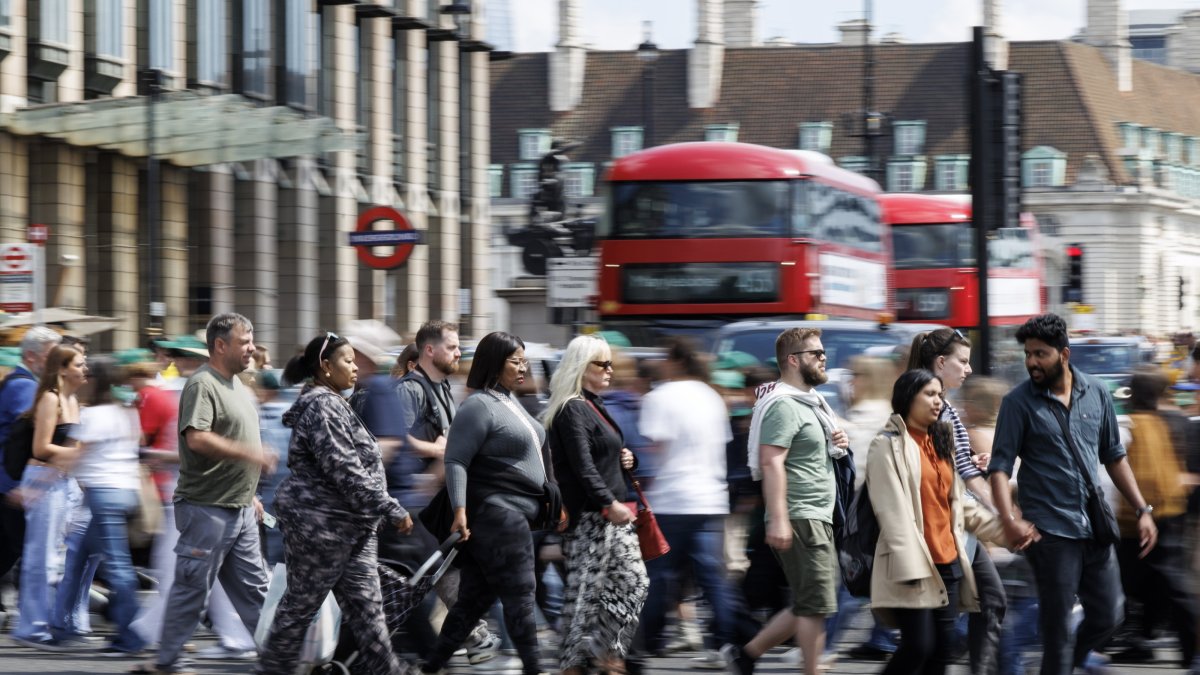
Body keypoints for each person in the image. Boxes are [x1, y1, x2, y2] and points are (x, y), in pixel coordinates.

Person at [989, 313, 1158, 675]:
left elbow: (1114, 456)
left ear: (1064, 354)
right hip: (1050, 532)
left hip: (1095, 526)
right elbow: (999, 469)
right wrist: (1009, 520)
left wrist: (1142, 509)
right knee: (1057, 632)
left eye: (1041, 354)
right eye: (1028, 354)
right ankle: (1060, 664)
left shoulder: (1096, 392)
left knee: (1110, 616)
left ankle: (1063, 666)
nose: (1032, 361)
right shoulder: (1017, 403)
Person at [256, 332, 414, 675]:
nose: (355, 368)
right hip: (323, 529)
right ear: (325, 367)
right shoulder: (323, 406)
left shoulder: (333, 402)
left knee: (369, 615)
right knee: (299, 611)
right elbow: (344, 469)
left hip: (350, 528)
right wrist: (390, 507)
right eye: (347, 360)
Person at [135, 313, 274, 675]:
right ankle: (164, 662)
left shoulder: (239, 387)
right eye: (244, 342)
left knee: (256, 590)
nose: (252, 348)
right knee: (192, 588)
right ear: (220, 345)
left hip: (239, 507)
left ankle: (282, 659)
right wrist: (251, 455)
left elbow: (243, 440)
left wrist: (252, 492)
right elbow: (197, 438)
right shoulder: (203, 384)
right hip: (207, 509)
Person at [419, 331, 560, 675]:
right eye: (516, 361)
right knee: (521, 594)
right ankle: (534, 668)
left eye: (525, 360)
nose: (524, 367)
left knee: (472, 602)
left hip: (514, 516)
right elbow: (455, 461)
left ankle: (431, 667)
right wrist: (459, 511)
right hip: (497, 516)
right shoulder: (479, 405)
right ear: (495, 364)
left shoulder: (509, 401)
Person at [724, 328, 848, 675]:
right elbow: (771, 462)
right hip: (801, 514)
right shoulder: (784, 405)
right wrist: (779, 518)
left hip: (815, 514)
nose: (823, 358)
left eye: (823, 352)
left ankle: (746, 655)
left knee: (811, 601)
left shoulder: (810, 403)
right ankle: (810, 669)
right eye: (815, 353)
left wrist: (836, 439)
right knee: (817, 605)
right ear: (793, 360)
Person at [869, 369, 1008, 675]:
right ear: (908, 398)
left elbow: (960, 508)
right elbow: (892, 513)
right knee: (918, 646)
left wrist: (1008, 531)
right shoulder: (887, 445)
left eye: (941, 396)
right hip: (914, 565)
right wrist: (912, 568)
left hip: (949, 563)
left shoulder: (941, 441)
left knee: (941, 653)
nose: (938, 402)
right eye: (930, 395)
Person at [392, 321, 499, 663]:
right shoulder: (410, 389)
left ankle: (459, 638)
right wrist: (438, 451)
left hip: (436, 501)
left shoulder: (442, 390)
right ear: (429, 350)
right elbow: (396, 439)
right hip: (413, 502)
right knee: (434, 572)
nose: (458, 353)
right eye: (452, 347)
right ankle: (468, 636)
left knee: (439, 571)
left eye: (458, 348)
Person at [545, 335, 648, 675]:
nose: (610, 370)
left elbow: (600, 458)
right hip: (591, 516)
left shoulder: (593, 403)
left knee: (635, 582)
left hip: (611, 515)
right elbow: (582, 466)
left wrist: (626, 460)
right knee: (582, 599)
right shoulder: (572, 408)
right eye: (601, 364)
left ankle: (605, 651)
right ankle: (574, 665)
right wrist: (609, 503)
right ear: (581, 367)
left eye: (610, 363)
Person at [907, 328, 1007, 675]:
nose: (967, 369)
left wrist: (968, 462)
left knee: (988, 603)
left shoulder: (942, 406)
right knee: (929, 642)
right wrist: (1006, 515)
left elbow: (957, 464)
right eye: (962, 362)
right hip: (942, 526)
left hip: (954, 523)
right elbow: (959, 473)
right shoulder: (933, 406)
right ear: (940, 362)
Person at [636, 336, 740, 659]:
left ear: (675, 361)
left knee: (659, 575)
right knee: (712, 576)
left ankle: (648, 642)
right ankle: (728, 639)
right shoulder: (711, 396)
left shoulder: (660, 397)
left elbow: (655, 448)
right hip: (710, 497)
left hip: (672, 498)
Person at [50, 358, 144, 656]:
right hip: (123, 493)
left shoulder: (95, 416)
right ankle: (62, 626)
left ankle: (131, 637)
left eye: (88, 375)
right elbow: (136, 445)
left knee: (118, 570)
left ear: (95, 381)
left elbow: (74, 455)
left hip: (104, 496)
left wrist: (35, 477)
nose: (84, 379)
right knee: (77, 558)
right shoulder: (125, 412)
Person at [1112, 367, 1195, 668]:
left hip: (1144, 520)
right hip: (1165, 514)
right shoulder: (1163, 421)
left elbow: (1137, 477)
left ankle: (1189, 650)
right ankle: (1146, 642)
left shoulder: (1137, 424)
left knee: (1159, 583)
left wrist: (1133, 515)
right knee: (1155, 584)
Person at [11, 343, 90, 649]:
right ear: (62, 369)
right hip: (45, 482)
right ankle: (31, 628)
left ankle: (59, 619)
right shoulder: (50, 399)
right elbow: (41, 448)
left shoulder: (74, 400)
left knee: (64, 555)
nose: (85, 369)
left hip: (65, 481)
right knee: (40, 557)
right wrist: (79, 452)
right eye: (79, 364)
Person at [0, 327, 60, 631]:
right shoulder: (25, 387)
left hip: (10, 482)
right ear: (31, 356)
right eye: (52, 355)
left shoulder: (23, 383)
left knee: (11, 550)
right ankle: (35, 617)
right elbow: (38, 436)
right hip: (14, 483)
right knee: (26, 550)